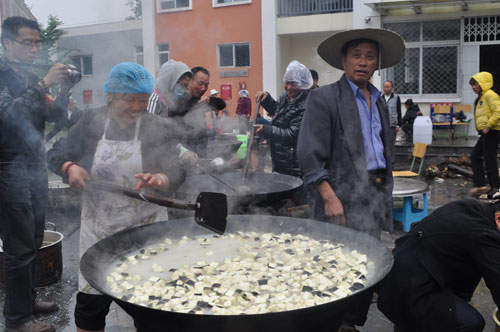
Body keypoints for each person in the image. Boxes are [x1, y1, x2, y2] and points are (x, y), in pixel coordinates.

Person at [47, 62, 182, 332]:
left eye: (142, 100)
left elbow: (178, 169)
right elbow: (55, 154)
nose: (135, 107)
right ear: (110, 95)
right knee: (90, 308)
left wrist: (162, 179)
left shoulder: (156, 126)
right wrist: (70, 167)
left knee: (150, 306)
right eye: (128, 100)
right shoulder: (90, 121)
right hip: (100, 228)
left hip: (147, 230)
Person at [296, 28, 405, 331]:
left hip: (374, 193)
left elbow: (383, 149)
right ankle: (331, 322)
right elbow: (308, 155)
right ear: (343, 60)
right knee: (334, 262)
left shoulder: (380, 100)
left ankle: (352, 322)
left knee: (367, 260)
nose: (362, 62)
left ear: (377, 63)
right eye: (356, 55)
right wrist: (329, 197)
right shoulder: (324, 98)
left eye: (370, 56)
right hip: (339, 195)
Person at [0, 16, 73, 332]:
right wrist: (45, 82)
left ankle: (26, 302)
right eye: (26, 42)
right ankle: (16, 320)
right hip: (7, 167)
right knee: (18, 246)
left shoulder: (28, 76)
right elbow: (7, 116)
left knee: (32, 239)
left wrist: (65, 89)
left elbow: (54, 115)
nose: (33, 49)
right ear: (7, 43)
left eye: (36, 43)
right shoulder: (2, 75)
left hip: (32, 165)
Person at [377, 197, 500, 332]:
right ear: (499, 218)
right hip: (405, 288)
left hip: (401, 271)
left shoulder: (472, 207)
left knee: (469, 278)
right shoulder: (484, 234)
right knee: (471, 323)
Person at [255, 60, 313, 178]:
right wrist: (267, 100)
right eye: (287, 82)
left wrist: (267, 130)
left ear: (303, 84)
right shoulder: (286, 97)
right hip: (280, 157)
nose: (289, 87)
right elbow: (281, 114)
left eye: (294, 84)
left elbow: (293, 134)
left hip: (294, 163)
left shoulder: (306, 104)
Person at [469, 71, 500, 196]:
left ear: (483, 83)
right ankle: (481, 185)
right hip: (486, 133)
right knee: (475, 156)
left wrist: (488, 126)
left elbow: (498, 111)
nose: (473, 87)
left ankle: (495, 188)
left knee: (489, 159)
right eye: (472, 85)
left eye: (475, 84)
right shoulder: (482, 97)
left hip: (492, 131)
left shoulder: (490, 95)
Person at [382, 80, 401, 158]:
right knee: (382, 144)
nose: (386, 88)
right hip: (382, 125)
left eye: (388, 87)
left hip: (392, 125)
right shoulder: (380, 98)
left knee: (391, 144)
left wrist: (398, 125)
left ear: (392, 88)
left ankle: (391, 163)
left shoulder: (396, 98)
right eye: (385, 87)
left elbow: (399, 111)